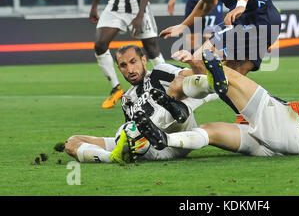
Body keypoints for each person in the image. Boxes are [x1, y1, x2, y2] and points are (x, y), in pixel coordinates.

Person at [128, 45, 299, 158]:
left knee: (227, 75)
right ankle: (164, 140)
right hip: (282, 146)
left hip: (287, 130)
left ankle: (191, 86)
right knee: (210, 131)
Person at [157, 0, 282, 122]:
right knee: (232, 80)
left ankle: (178, 97)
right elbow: (209, 2)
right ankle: (269, 112)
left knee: (201, 59)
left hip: (257, 17)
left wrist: (240, 5)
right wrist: (184, 25)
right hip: (259, 20)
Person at [64, 44, 216, 163]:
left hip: (179, 132)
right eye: (123, 65)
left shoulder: (159, 72)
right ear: (119, 69)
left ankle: (173, 108)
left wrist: (192, 62)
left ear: (143, 60)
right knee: (72, 142)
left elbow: (196, 77)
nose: (130, 69)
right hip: (150, 146)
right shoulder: (127, 99)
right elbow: (131, 130)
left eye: (133, 62)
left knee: (179, 84)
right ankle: (110, 157)